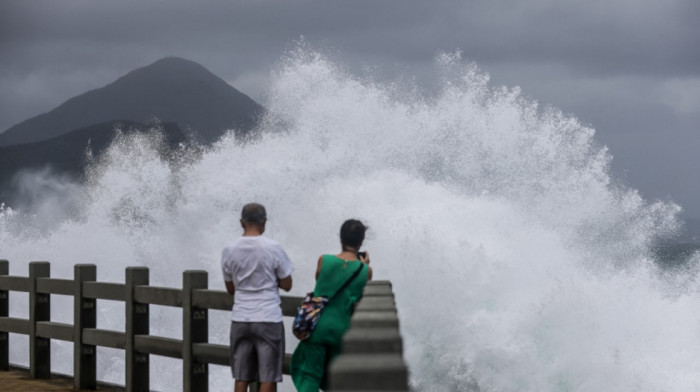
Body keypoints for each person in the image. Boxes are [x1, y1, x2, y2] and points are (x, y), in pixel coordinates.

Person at [291, 219, 373, 391]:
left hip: (318, 327)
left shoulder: (324, 260)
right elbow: (361, 293)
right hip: (342, 331)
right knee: (336, 382)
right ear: (361, 242)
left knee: (309, 377)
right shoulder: (366, 271)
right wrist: (363, 265)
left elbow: (320, 283)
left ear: (341, 237)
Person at [221, 203, 293, 392]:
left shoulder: (229, 250)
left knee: (241, 376)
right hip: (268, 317)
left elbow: (230, 288)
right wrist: (270, 280)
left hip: (240, 319)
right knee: (268, 376)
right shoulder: (273, 248)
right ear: (264, 223)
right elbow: (287, 284)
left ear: (241, 222)